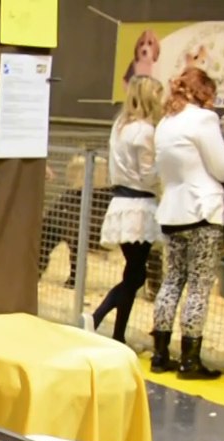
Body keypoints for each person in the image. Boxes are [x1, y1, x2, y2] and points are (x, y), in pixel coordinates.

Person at [149, 67, 224, 380]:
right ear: (203, 91)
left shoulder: (165, 123)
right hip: (202, 211)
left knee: (172, 280)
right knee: (200, 285)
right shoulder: (203, 119)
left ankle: (160, 354)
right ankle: (190, 359)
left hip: (172, 212)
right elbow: (222, 169)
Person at [84, 75, 166, 345]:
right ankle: (98, 318)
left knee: (134, 272)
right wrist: (166, 168)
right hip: (139, 206)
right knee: (136, 273)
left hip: (121, 203)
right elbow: (147, 174)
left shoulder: (120, 125)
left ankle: (114, 331)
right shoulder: (145, 131)